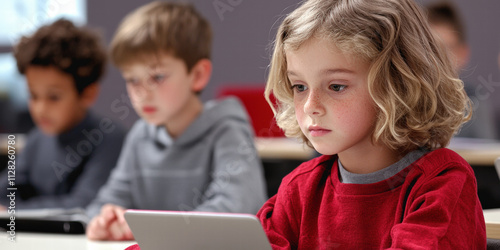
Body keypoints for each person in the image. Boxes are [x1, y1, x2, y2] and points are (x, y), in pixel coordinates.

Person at [257, 0, 486, 248]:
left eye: (336, 86)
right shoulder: (298, 190)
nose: (310, 105)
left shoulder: (442, 183)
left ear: (397, 86)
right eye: (299, 87)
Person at [85, 2, 267, 241]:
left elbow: (235, 212)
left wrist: (147, 231)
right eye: (132, 79)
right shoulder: (140, 135)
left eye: (157, 77)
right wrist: (104, 219)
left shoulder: (226, 129)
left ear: (198, 75)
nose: (143, 93)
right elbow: (103, 203)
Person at [0, 19, 126, 210]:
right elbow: (5, 193)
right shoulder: (36, 140)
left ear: (88, 93)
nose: (40, 108)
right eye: (33, 96)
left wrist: (12, 210)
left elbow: (82, 205)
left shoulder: (110, 139)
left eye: (54, 97)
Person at [426, 1, 498, 139]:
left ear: (462, 54)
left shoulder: (474, 104)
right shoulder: (402, 102)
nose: (437, 58)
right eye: (428, 48)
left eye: (445, 49)